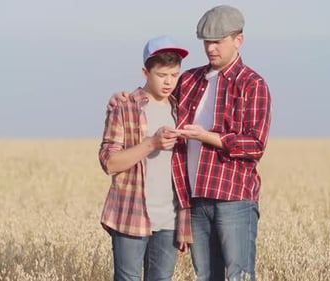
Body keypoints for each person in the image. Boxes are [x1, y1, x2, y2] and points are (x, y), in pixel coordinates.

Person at [108, 5, 271, 281]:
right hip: (195, 199)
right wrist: (122, 97)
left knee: (238, 275)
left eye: (218, 41)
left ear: (238, 40)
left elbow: (255, 144)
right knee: (206, 275)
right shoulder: (191, 80)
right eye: (207, 41)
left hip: (233, 198)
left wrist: (206, 136)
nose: (211, 48)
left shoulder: (252, 84)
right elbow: (156, 88)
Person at [98, 35, 192, 281]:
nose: (169, 82)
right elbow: (109, 162)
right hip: (131, 214)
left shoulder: (181, 110)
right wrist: (152, 143)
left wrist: (185, 222)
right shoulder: (125, 107)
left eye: (174, 74)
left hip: (170, 220)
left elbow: (185, 174)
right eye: (162, 75)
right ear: (145, 72)